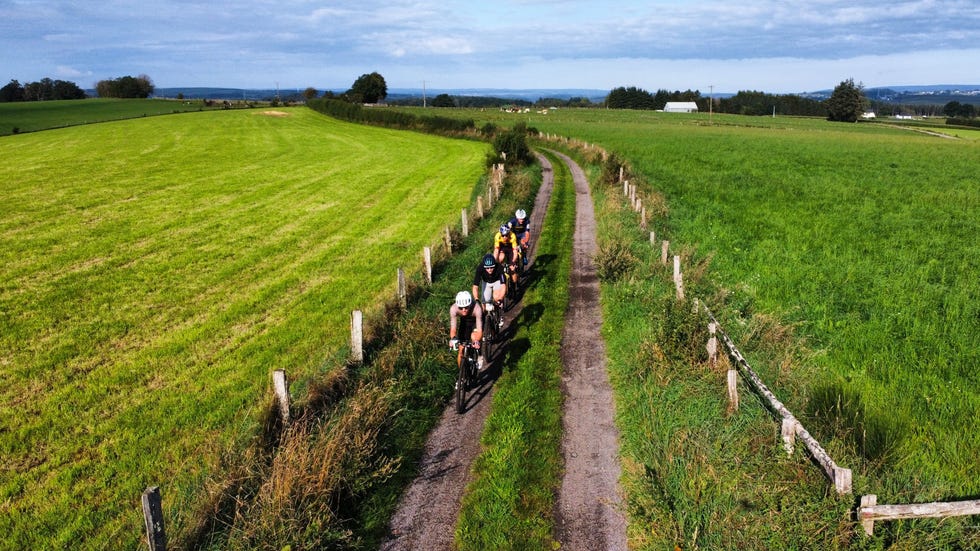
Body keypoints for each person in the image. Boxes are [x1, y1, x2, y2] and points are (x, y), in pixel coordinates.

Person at [449, 290, 483, 370]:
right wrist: (453, 339)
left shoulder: (477, 308)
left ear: (470, 305)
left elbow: (479, 330)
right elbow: (453, 328)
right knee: (461, 349)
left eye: (466, 307)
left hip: (475, 321)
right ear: (458, 306)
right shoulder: (453, 309)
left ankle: (479, 354)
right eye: (461, 308)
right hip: (465, 322)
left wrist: (476, 340)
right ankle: (462, 374)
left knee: (474, 337)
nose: (464, 310)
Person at [472, 253, 507, 328]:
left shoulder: (499, 268)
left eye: (491, 267)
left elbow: (503, 285)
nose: (489, 270)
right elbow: (475, 286)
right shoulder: (480, 268)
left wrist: (501, 298)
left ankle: (499, 315)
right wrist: (476, 299)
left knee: (496, 297)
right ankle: (484, 325)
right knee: (483, 305)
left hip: (497, 281)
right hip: (486, 282)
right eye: (487, 268)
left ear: (494, 265)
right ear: (484, 267)